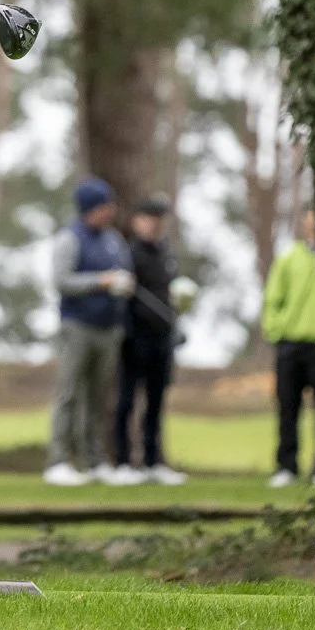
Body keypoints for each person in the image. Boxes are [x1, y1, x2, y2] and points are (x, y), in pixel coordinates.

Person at [44, 177, 137, 487]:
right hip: (78, 326)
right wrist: (101, 282)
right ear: (89, 208)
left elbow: (124, 275)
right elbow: (62, 282)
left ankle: (94, 460)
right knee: (69, 393)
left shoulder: (113, 240)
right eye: (104, 206)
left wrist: (123, 285)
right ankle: (58, 461)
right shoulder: (70, 239)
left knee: (97, 398)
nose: (109, 211)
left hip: (109, 328)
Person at [111, 196, 186, 485]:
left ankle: (153, 462)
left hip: (162, 336)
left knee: (156, 402)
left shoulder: (166, 253)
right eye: (150, 219)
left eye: (160, 220)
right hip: (134, 337)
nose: (156, 225)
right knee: (127, 400)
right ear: (137, 221)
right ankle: (123, 462)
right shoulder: (128, 253)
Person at [262, 209, 315, 487]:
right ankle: (286, 466)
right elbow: (273, 299)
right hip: (290, 344)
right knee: (288, 407)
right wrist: (277, 331)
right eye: (310, 223)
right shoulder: (290, 257)